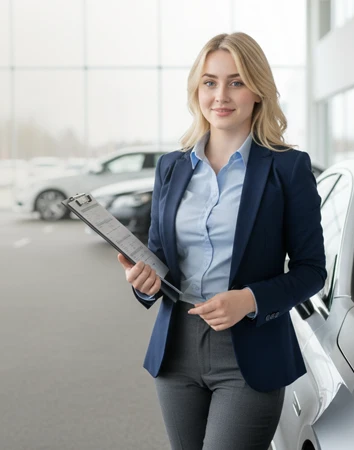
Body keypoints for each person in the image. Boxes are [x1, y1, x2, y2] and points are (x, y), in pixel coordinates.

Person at [117, 32, 326, 450]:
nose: (221, 95)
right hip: (176, 351)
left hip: (250, 353)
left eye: (236, 81)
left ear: (258, 91)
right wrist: (144, 280)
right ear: (197, 90)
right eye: (210, 82)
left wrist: (248, 299)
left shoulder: (288, 168)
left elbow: (311, 272)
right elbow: (160, 254)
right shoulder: (171, 167)